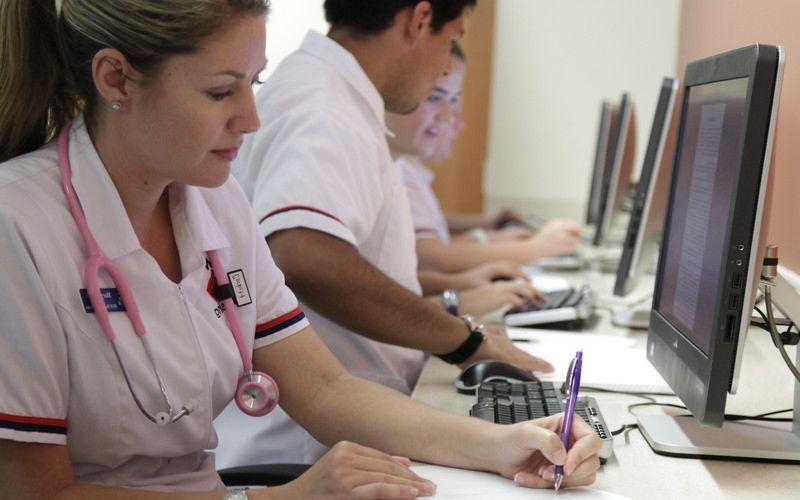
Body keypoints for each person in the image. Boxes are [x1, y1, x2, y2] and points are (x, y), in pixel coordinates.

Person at [0, 1, 602, 498]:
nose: (252, 119)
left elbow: (325, 389)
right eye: (219, 92)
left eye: (253, 84)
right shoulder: (19, 224)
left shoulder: (215, 204)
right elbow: (36, 493)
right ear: (115, 79)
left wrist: (502, 445)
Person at [218, 0, 557, 469]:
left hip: (348, 430)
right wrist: (462, 340)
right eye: (450, 37)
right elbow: (303, 254)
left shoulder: (333, 95)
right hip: (310, 453)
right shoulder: (325, 107)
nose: (444, 66)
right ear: (419, 21)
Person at [387, 44, 584, 278]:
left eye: (454, 103)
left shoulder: (401, 168)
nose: (451, 119)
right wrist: (534, 249)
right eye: (435, 97)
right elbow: (429, 256)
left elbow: (429, 233)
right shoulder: (400, 169)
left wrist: (486, 228)